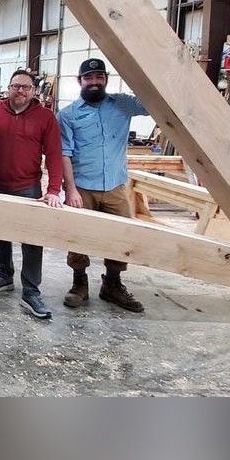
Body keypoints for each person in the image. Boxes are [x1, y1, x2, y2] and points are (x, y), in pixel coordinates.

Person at [57, 57, 149, 313]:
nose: (94, 82)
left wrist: (135, 73)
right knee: (78, 235)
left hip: (116, 186)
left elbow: (153, 104)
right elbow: (64, 153)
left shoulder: (123, 105)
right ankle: (79, 284)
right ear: (80, 81)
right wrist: (71, 189)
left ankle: (113, 284)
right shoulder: (68, 115)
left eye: (99, 78)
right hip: (83, 187)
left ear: (106, 80)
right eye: (89, 78)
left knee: (121, 237)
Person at [0, 69, 63, 321]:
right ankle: (4, 274)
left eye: (26, 87)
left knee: (32, 238)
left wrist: (53, 190)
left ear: (33, 91)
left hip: (29, 187)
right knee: (0, 231)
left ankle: (31, 291)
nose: (21, 91)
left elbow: (53, 154)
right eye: (16, 86)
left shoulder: (45, 117)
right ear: (8, 88)